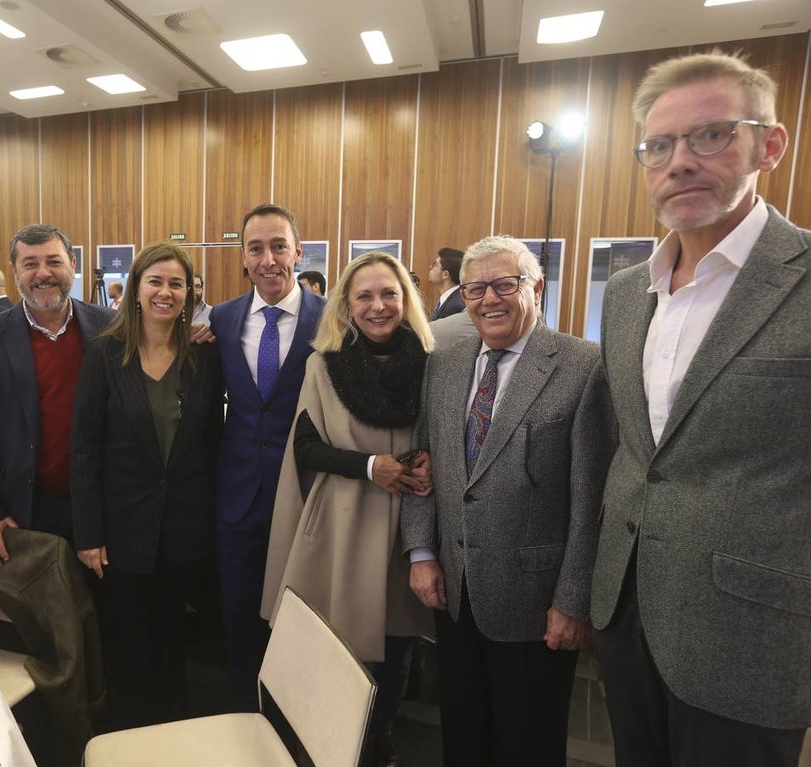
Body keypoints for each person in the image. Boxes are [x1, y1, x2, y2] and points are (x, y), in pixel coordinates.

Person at [590, 51, 811, 767]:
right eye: (659, 145)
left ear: (768, 146)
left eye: (710, 135)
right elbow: (637, 451)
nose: (679, 162)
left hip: (757, 633)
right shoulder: (624, 294)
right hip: (629, 610)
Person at [401, 236, 614, 767]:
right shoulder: (445, 364)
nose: (488, 299)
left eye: (504, 284)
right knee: (463, 737)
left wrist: (573, 601)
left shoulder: (583, 367)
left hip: (536, 604)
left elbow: (591, 501)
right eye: (475, 287)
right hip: (454, 590)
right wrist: (421, 553)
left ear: (536, 287)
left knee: (528, 744)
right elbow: (423, 463)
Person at [263, 251, 434, 766]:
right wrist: (369, 466)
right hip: (342, 520)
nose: (378, 306)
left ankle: (381, 743)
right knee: (337, 649)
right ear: (346, 304)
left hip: (408, 522)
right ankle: (334, 747)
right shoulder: (325, 363)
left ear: (405, 300)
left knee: (397, 642)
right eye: (365, 295)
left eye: (389, 294)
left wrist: (431, 463)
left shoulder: (433, 362)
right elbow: (306, 448)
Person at [71, 242, 224, 728]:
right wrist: (89, 534)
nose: (165, 291)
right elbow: (85, 449)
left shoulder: (204, 356)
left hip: (182, 527)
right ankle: (126, 736)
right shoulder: (104, 356)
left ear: (189, 293)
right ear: (136, 289)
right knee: (126, 642)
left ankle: (172, 734)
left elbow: (211, 443)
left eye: (176, 283)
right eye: (155, 281)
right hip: (120, 532)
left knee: (173, 639)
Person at [209, 203, 324, 711]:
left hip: (305, 492)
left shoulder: (333, 318)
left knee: (298, 613)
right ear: (243, 257)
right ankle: (244, 711)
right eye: (256, 248)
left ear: (299, 252)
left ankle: (295, 714)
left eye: (279, 245)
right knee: (236, 613)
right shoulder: (222, 317)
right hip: (237, 495)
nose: (268, 258)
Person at [0, 224, 116, 567]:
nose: (43, 274)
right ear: (15, 271)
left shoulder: (113, 327)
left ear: (72, 265)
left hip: (103, 505)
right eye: (30, 264)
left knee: (105, 612)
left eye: (53, 262)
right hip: (23, 511)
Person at [428, 247, 465, 319]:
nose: (430, 267)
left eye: (435, 264)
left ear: (445, 274)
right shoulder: (450, 298)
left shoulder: (455, 305)